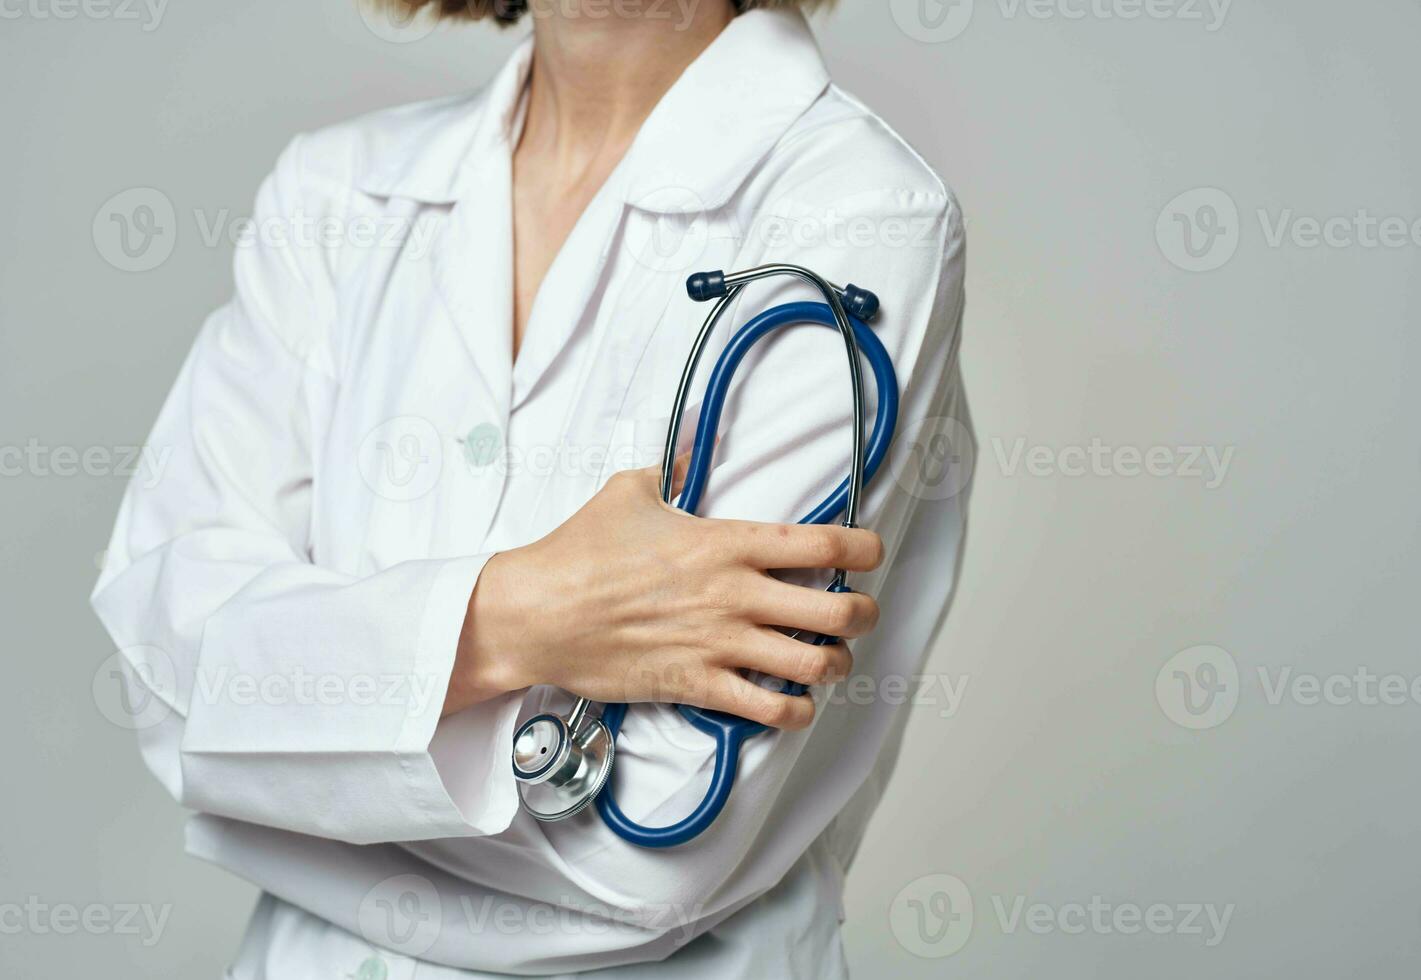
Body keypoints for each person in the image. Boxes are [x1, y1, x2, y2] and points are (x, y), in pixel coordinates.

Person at [90, 1, 971, 975]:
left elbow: (655, 851)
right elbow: (161, 681)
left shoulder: (859, 211)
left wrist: (292, 759)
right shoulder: (336, 193)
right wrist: (518, 618)